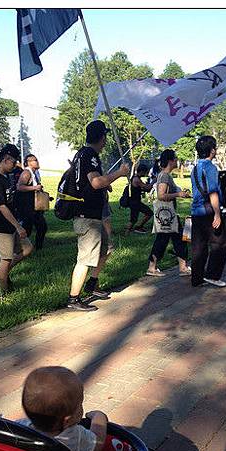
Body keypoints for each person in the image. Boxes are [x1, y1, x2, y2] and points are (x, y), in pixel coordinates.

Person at [17, 366, 149, 451]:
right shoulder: (71, 437)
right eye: (80, 404)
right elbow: (98, 443)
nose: (81, 407)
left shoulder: (18, 427)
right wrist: (99, 417)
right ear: (67, 420)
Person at [67, 120, 129, 311]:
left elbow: (91, 182)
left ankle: (92, 283)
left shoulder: (82, 154)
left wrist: (105, 183)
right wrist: (119, 173)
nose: (105, 141)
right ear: (102, 137)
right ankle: (73, 298)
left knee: (107, 248)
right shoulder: (90, 155)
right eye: (105, 137)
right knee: (85, 259)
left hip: (93, 215)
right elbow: (95, 182)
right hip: (87, 217)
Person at [0, 144, 33, 298]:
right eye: (13, 161)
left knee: (27, 248)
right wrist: (18, 226)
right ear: (5, 159)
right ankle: (3, 295)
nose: (15, 165)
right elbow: (1, 206)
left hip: (10, 223)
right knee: (6, 259)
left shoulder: (5, 177)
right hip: (1, 226)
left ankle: (1, 274)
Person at [190, 136, 226, 287]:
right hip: (209, 211)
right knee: (220, 243)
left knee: (198, 246)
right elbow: (213, 193)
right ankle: (212, 275)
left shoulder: (195, 168)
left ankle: (197, 278)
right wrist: (218, 214)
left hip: (196, 211)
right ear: (212, 150)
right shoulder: (211, 168)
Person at [147, 149, 191, 277]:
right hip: (167, 214)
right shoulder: (165, 175)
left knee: (175, 239)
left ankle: (181, 267)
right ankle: (153, 267)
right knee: (170, 240)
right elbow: (161, 195)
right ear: (171, 161)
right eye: (176, 158)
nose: (177, 160)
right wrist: (178, 194)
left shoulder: (163, 174)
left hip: (167, 214)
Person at [16, 154, 48, 252]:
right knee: (27, 229)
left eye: (37, 160)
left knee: (41, 227)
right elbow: (19, 187)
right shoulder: (26, 172)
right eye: (35, 160)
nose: (37, 162)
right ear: (29, 162)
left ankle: (36, 248)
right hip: (27, 207)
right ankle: (20, 249)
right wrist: (34, 188)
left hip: (34, 207)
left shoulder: (35, 172)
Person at [125, 161, 153, 234]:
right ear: (142, 171)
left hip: (134, 201)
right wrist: (154, 181)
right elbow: (147, 188)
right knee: (148, 213)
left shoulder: (135, 178)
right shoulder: (136, 179)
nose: (145, 174)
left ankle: (133, 229)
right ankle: (132, 230)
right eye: (145, 172)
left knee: (134, 218)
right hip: (134, 202)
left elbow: (144, 188)